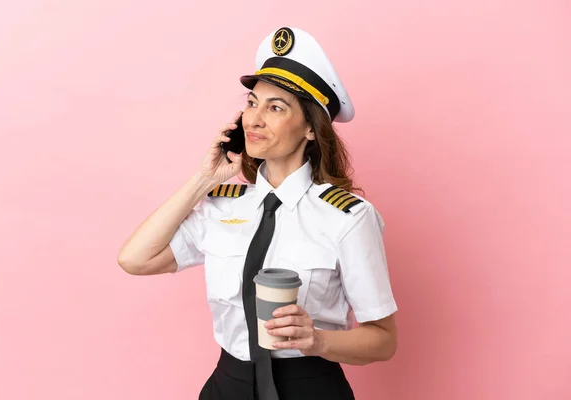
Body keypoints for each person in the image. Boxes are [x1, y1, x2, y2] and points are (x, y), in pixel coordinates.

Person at [117, 26, 398, 400]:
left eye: (275, 107)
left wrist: (317, 340)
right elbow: (135, 259)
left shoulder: (347, 217)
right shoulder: (223, 205)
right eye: (252, 103)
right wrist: (202, 180)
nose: (254, 119)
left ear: (311, 129)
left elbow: (383, 340)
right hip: (227, 385)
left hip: (310, 387)